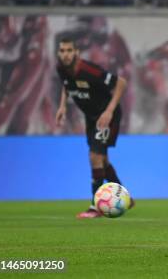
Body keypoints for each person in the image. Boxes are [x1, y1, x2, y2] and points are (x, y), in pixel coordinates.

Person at [55, 37, 130, 219]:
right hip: (91, 118)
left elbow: (121, 82)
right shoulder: (62, 69)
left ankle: (95, 206)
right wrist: (62, 105)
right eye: (62, 51)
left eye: (69, 50)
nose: (65, 54)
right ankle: (124, 196)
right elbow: (67, 86)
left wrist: (109, 111)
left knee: (95, 156)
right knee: (102, 160)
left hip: (106, 116)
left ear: (77, 53)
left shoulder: (89, 70)